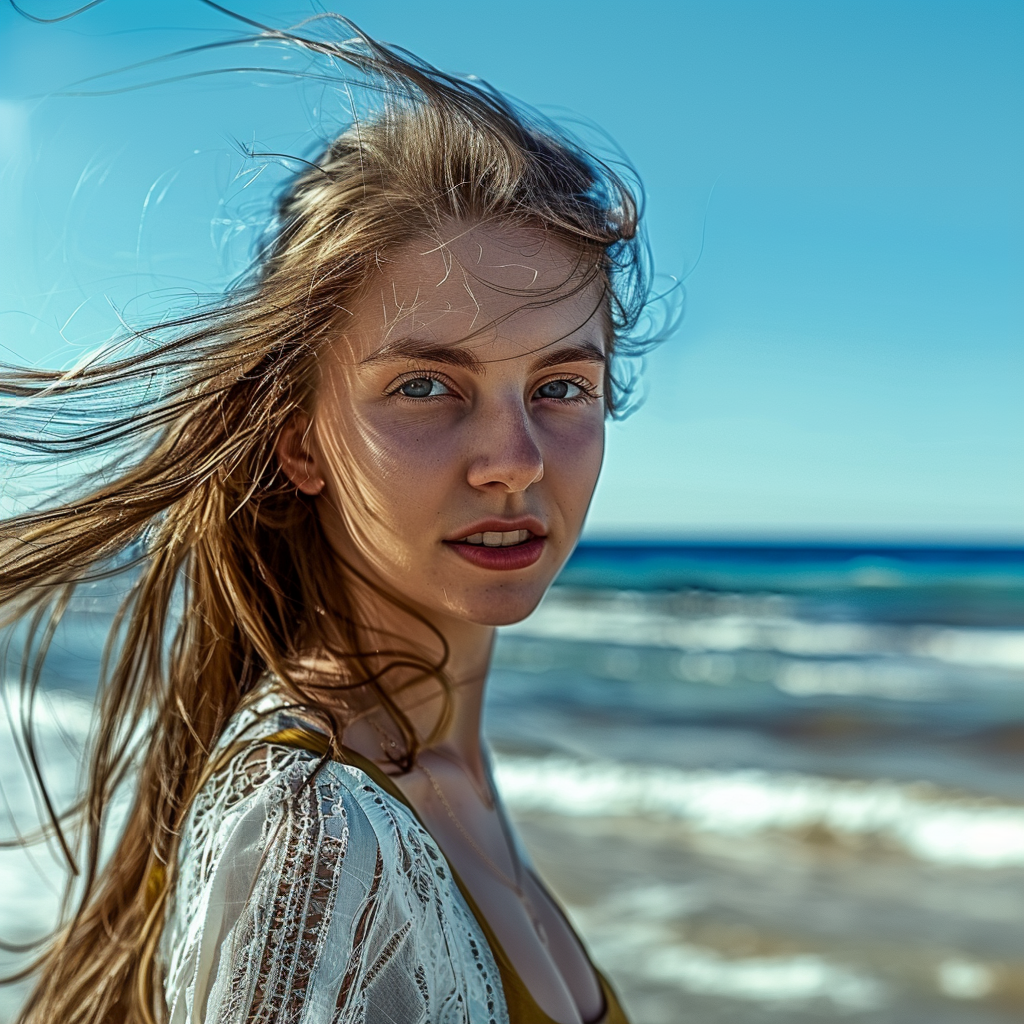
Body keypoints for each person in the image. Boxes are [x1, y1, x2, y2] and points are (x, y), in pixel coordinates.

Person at [0, 13, 657, 1024]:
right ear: (297, 438)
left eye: (561, 386)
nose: (515, 461)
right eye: (429, 385)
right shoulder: (315, 832)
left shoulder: (441, 769)